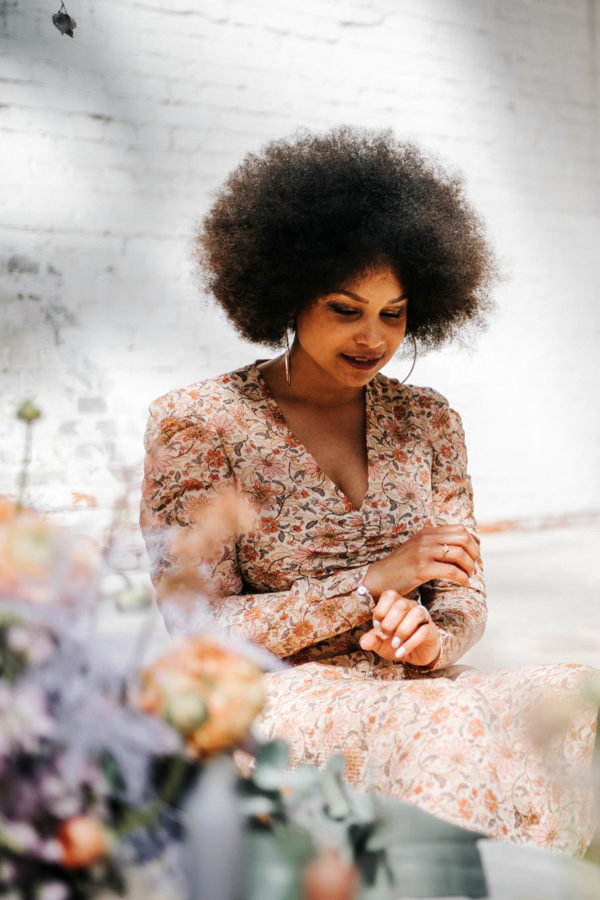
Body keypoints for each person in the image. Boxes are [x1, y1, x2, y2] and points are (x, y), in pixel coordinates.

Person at [140, 127, 598, 856]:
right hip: (274, 695)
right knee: (449, 734)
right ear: (289, 294)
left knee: (580, 699)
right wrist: (370, 585)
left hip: (415, 686)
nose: (374, 338)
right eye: (345, 309)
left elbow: (461, 592)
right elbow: (197, 629)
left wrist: (434, 639)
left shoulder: (430, 420)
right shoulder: (199, 422)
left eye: (394, 312)